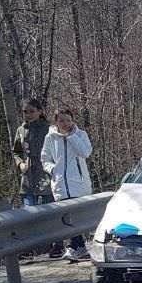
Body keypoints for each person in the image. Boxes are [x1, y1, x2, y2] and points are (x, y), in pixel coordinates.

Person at [41, 109, 93, 261]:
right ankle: (77, 247)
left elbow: (85, 153)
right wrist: (53, 169)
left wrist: (71, 137)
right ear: (56, 121)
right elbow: (45, 158)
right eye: (62, 120)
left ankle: (76, 246)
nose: (65, 123)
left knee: (76, 215)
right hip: (60, 183)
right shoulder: (50, 137)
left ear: (72, 121)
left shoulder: (80, 134)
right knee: (66, 216)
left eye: (68, 120)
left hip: (78, 182)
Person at [13, 99, 62, 257]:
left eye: (32, 111)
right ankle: (29, 247)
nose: (28, 115)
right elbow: (16, 151)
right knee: (28, 215)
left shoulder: (49, 129)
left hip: (46, 175)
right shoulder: (21, 130)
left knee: (50, 212)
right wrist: (20, 163)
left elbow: (57, 151)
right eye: (25, 112)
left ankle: (57, 245)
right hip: (28, 178)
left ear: (40, 111)